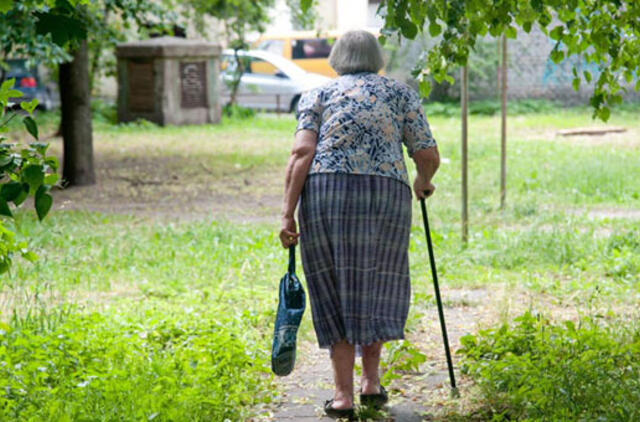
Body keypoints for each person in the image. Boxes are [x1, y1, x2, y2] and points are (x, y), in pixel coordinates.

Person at [279, 29, 440, 419]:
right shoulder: (399, 93)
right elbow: (428, 153)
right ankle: (371, 382)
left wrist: (287, 212)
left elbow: (302, 152)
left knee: (333, 282)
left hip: (327, 194)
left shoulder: (318, 94)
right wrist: (422, 182)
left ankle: (342, 396)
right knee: (379, 277)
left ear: (336, 58)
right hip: (385, 194)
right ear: (377, 58)